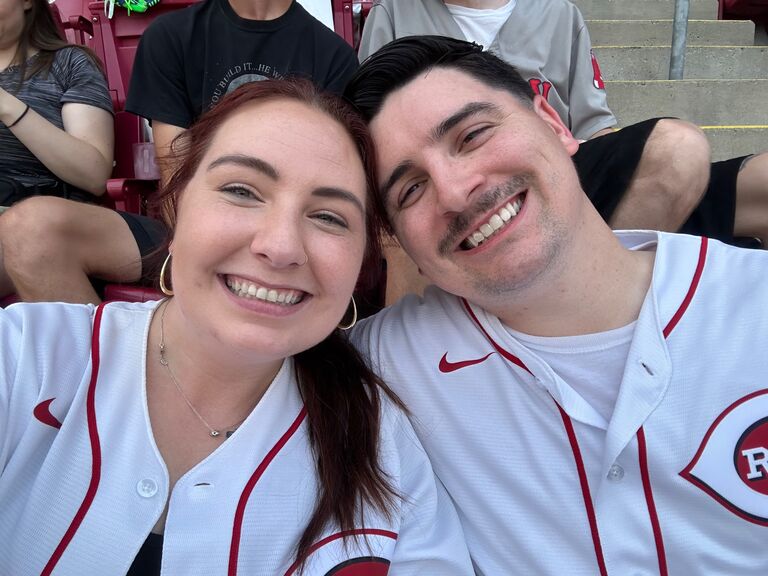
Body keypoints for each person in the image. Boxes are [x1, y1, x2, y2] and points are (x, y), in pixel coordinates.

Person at [0, 79, 473, 574]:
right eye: (241, 190)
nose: (281, 246)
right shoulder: (28, 355)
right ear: (175, 207)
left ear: (361, 264)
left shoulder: (385, 442)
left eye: (330, 217)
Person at [346, 36, 768, 575]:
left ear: (554, 123)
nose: (453, 191)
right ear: (403, 247)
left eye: (472, 135)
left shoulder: (752, 303)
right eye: (409, 190)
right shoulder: (377, 367)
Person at [358, 0, 768, 301]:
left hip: (561, 168)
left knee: (681, 151)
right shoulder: (393, 12)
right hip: (445, 199)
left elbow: (595, 125)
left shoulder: (558, 12)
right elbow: (382, 134)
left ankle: (598, 299)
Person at [0, 0, 166, 303]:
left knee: (25, 229)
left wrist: (8, 107)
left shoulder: (68, 63)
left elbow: (93, 172)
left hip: (45, 216)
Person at [127, 0, 359, 182]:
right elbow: (176, 182)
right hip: (204, 222)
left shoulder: (335, 58)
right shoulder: (170, 38)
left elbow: (322, 178)